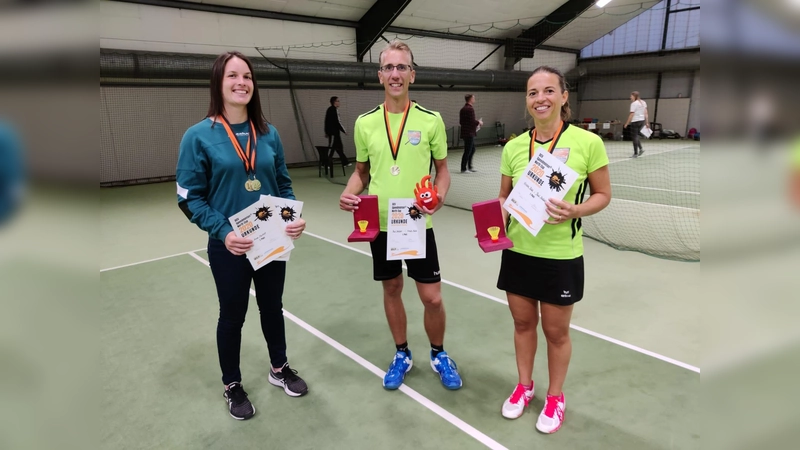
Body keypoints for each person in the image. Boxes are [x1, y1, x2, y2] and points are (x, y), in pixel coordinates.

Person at [176, 51, 309, 421]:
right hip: (229, 247)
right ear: (218, 83)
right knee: (232, 316)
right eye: (233, 76)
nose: (241, 82)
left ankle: (279, 368)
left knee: (272, 307)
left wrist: (292, 217)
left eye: (247, 76)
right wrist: (222, 231)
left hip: (271, 243)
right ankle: (232, 384)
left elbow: (282, 183)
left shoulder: (268, 133)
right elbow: (189, 198)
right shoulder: (198, 136)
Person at [339, 40, 462, 391]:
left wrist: (438, 197)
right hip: (378, 223)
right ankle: (402, 353)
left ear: (412, 74)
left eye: (402, 67)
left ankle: (439, 354)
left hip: (417, 221)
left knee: (432, 297)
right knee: (392, 287)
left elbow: (443, 171)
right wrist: (350, 192)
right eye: (389, 68)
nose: (396, 74)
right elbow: (362, 172)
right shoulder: (364, 123)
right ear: (380, 76)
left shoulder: (430, 120)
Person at [496, 66, 611, 433]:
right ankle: (524, 386)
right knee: (522, 323)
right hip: (518, 252)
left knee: (556, 333)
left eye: (548, 91)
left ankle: (556, 396)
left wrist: (575, 210)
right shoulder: (514, 147)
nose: (540, 98)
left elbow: (603, 195)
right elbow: (503, 196)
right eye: (532, 92)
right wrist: (496, 213)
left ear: (564, 97)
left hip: (561, 257)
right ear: (527, 101)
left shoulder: (587, 143)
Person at [325, 96, 352, 168]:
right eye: (338, 101)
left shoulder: (330, 110)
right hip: (334, 133)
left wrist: (326, 132)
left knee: (339, 148)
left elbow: (326, 121)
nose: (339, 102)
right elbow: (337, 122)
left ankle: (345, 162)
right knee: (332, 148)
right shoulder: (333, 110)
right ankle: (326, 164)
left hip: (334, 133)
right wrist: (344, 131)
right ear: (334, 102)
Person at [459, 94, 483, 173]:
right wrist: (479, 122)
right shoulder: (470, 109)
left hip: (466, 133)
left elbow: (461, 122)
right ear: (470, 99)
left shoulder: (463, 109)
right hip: (469, 133)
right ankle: (464, 168)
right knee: (468, 150)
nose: (474, 99)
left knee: (472, 150)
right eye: (473, 98)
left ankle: (469, 167)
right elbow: (472, 121)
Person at [624, 91, 649, 157]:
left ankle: (635, 153)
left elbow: (631, 114)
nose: (630, 97)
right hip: (642, 121)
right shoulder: (643, 102)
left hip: (635, 121)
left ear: (634, 96)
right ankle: (641, 149)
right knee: (636, 136)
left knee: (634, 137)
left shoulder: (634, 104)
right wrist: (647, 122)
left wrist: (627, 123)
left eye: (631, 96)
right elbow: (646, 113)